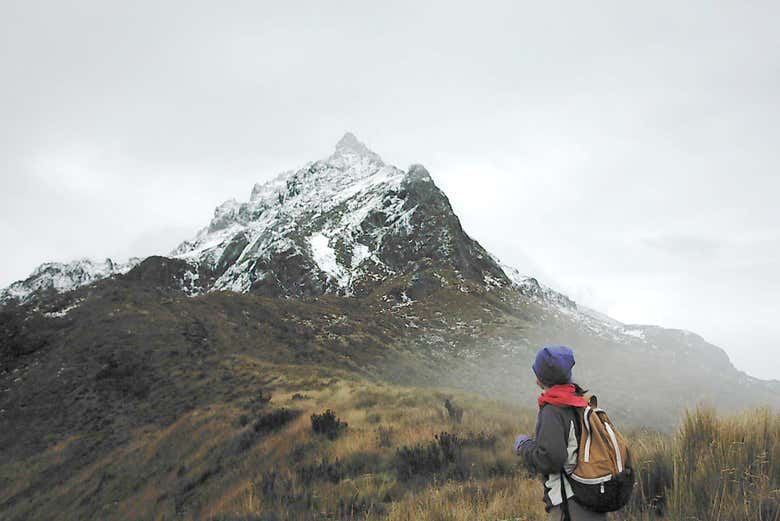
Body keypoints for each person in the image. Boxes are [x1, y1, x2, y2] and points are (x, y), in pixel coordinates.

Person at [514, 345, 607, 521]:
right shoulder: (580, 403)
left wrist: (524, 446)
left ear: (543, 378)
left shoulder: (553, 410)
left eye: (538, 374)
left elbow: (550, 460)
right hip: (592, 495)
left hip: (569, 504)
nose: (535, 379)